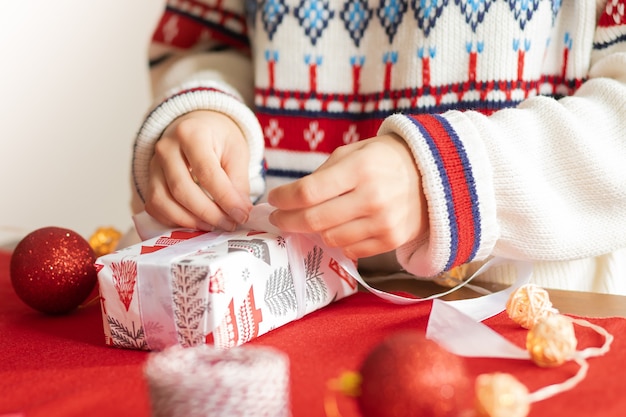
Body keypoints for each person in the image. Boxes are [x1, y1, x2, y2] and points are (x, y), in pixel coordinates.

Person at [131, 0, 626, 294]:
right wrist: (206, 107)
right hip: (270, 299)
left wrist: (449, 175)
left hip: (534, 310)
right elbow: (206, 42)